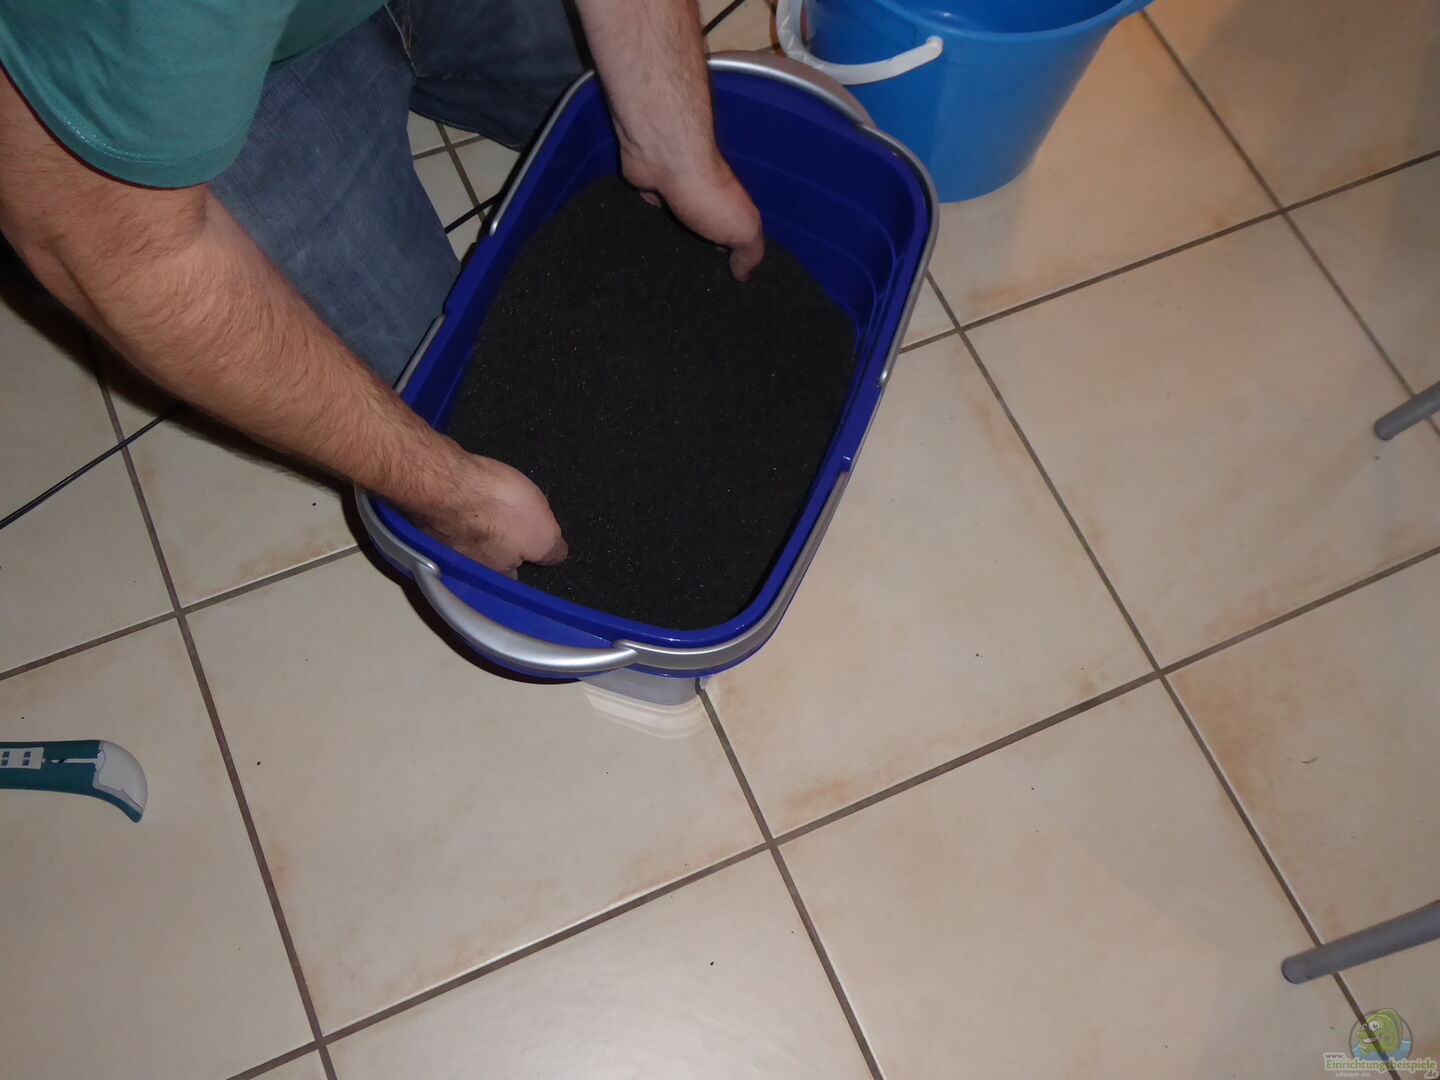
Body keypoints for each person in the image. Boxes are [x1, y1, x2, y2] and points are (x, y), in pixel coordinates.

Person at [0, 0, 764, 574]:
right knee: (443, 413)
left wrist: (674, 146)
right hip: (160, 93)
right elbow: (119, 249)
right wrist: (451, 495)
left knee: (725, 127)